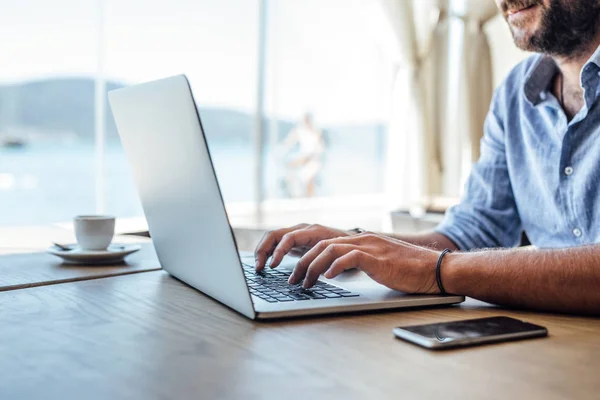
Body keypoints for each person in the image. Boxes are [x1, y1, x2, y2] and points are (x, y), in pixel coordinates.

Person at [254, 0, 600, 316]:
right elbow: (474, 231)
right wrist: (358, 246)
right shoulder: (515, 94)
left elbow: (447, 260)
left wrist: (438, 270)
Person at [278, 113, 325, 198]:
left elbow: (317, 151)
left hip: (312, 160)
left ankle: (309, 197)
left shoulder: (316, 132)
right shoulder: (301, 131)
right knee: (293, 176)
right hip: (305, 159)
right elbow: (289, 142)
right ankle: (298, 196)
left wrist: (300, 161)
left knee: (307, 177)